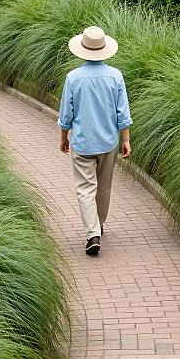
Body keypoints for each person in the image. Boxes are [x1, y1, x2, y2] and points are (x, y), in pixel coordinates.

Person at [58, 26, 132, 256]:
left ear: (82, 50)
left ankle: (92, 234)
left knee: (85, 188)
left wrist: (63, 137)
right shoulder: (115, 76)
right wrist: (126, 140)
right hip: (108, 141)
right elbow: (123, 112)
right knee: (104, 187)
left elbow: (66, 114)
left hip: (82, 142)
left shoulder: (73, 78)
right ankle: (98, 224)